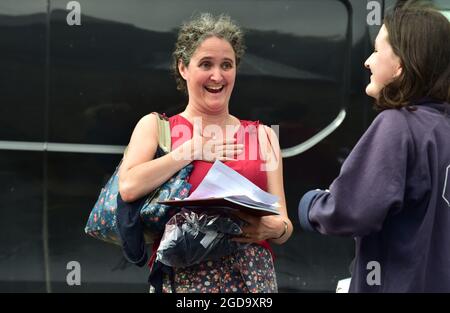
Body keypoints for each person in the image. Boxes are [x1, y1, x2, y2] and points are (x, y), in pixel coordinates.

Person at [118, 13, 293, 293]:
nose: (217, 75)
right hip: (184, 277)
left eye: (227, 65)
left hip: (251, 281)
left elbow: (284, 223)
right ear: (183, 68)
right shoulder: (156, 127)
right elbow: (128, 187)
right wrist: (191, 150)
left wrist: (274, 229)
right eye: (206, 64)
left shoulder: (264, 135)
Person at [298, 2, 450, 292]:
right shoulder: (442, 127)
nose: (368, 61)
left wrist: (310, 205)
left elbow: (349, 212)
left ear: (402, 64)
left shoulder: (397, 125)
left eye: (378, 50)